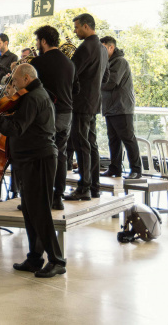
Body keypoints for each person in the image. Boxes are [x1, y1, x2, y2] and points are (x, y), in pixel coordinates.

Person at [0, 64, 65, 278]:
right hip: (33, 158)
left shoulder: (33, 97)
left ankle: (57, 260)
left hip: (39, 158)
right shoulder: (37, 94)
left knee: (40, 212)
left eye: (16, 81)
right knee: (30, 212)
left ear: (27, 78)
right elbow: (23, 123)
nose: (13, 85)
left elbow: (17, 128)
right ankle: (35, 258)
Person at [30, 25, 75, 209]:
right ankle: (57, 197)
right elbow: (76, 88)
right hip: (66, 112)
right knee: (61, 155)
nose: (37, 45)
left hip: (46, 115)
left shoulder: (38, 63)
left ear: (43, 41)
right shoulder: (69, 63)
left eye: (37, 41)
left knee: (41, 155)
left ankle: (41, 198)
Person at [64, 13, 109, 201]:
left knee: (81, 144)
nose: (75, 31)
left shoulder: (85, 47)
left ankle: (83, 188)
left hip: (81, 103)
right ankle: (95, 187)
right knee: (91, 144)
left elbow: (70, 73)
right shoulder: (103, 49)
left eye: (76, 27)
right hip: (94, 103)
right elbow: (105, 78)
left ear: (86, 26)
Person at [100, 37, 142, 180]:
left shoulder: (120, 62)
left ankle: (136, 170)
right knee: (113, 140)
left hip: (122, 107)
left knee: (128, 138)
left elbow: (111, 82)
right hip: (110, 107)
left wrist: (93, 83)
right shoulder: (108, 62)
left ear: (111, 48)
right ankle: (115, 168)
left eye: (103, 48)